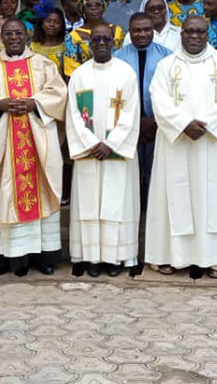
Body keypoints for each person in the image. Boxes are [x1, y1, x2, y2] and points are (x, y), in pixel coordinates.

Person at [145, 16, 217, 277]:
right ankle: (170, 255)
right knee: (173, 196)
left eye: (200, 32)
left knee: (214, 198)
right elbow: (159, 98)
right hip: (175, 143)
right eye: (188, 31)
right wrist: (182, 124)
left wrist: (206, 125)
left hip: (211, 142)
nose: (194, 36)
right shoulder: (166, 65)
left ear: (207, 34)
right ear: (181, 34)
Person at [0, 18, 67, 276]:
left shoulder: (44, 65)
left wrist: (35, 104)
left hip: (37, 147)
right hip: (4, 149)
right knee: (6, 196)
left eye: (18, 33)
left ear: (27, 35)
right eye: (8, 33)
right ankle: (5, 258)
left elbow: (59, 94)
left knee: (41, 196)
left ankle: (44, 256)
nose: (13, 37)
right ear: (1, 36)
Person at [66, 23, 141, 276]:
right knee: (89, 204)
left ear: (114, 42)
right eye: (96, 39)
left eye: (106, 39)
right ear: (89, 44)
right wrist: (90, 143)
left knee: (116, 204)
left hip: (117, 152)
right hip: (89, 153)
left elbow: (132, 113)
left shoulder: (126, 73)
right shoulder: (80, 74)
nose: (100, 43)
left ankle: (115, 258)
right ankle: (92, 259)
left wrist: (111, 144)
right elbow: (73, 114)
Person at [115, 13, 173, 202]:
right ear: (129, 32)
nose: (142, 34)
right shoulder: (117, 57)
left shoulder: (167, 57)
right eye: (136, 30)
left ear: (153, 30)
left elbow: (173, 93)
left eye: (146, 29)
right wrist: (134, 122)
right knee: (128, 175)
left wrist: (155, 121)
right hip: (126, 126)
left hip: (159, 125)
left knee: (157, 173)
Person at [64, 0, 125, 77]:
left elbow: (124, 59)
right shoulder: (73, 37)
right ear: (83, 9)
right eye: (89, 6)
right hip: (86, 85)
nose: (93, 8)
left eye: (98, 5)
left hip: (115, 79)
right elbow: (71, 72)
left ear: (103, 8)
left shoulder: (117, 31)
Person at [29, 0, 67, 70]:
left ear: (62, 25)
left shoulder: (66, 45)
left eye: (57, 22)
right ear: (42, 23)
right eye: (48, 21)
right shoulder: (31, 45)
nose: (52, 25)